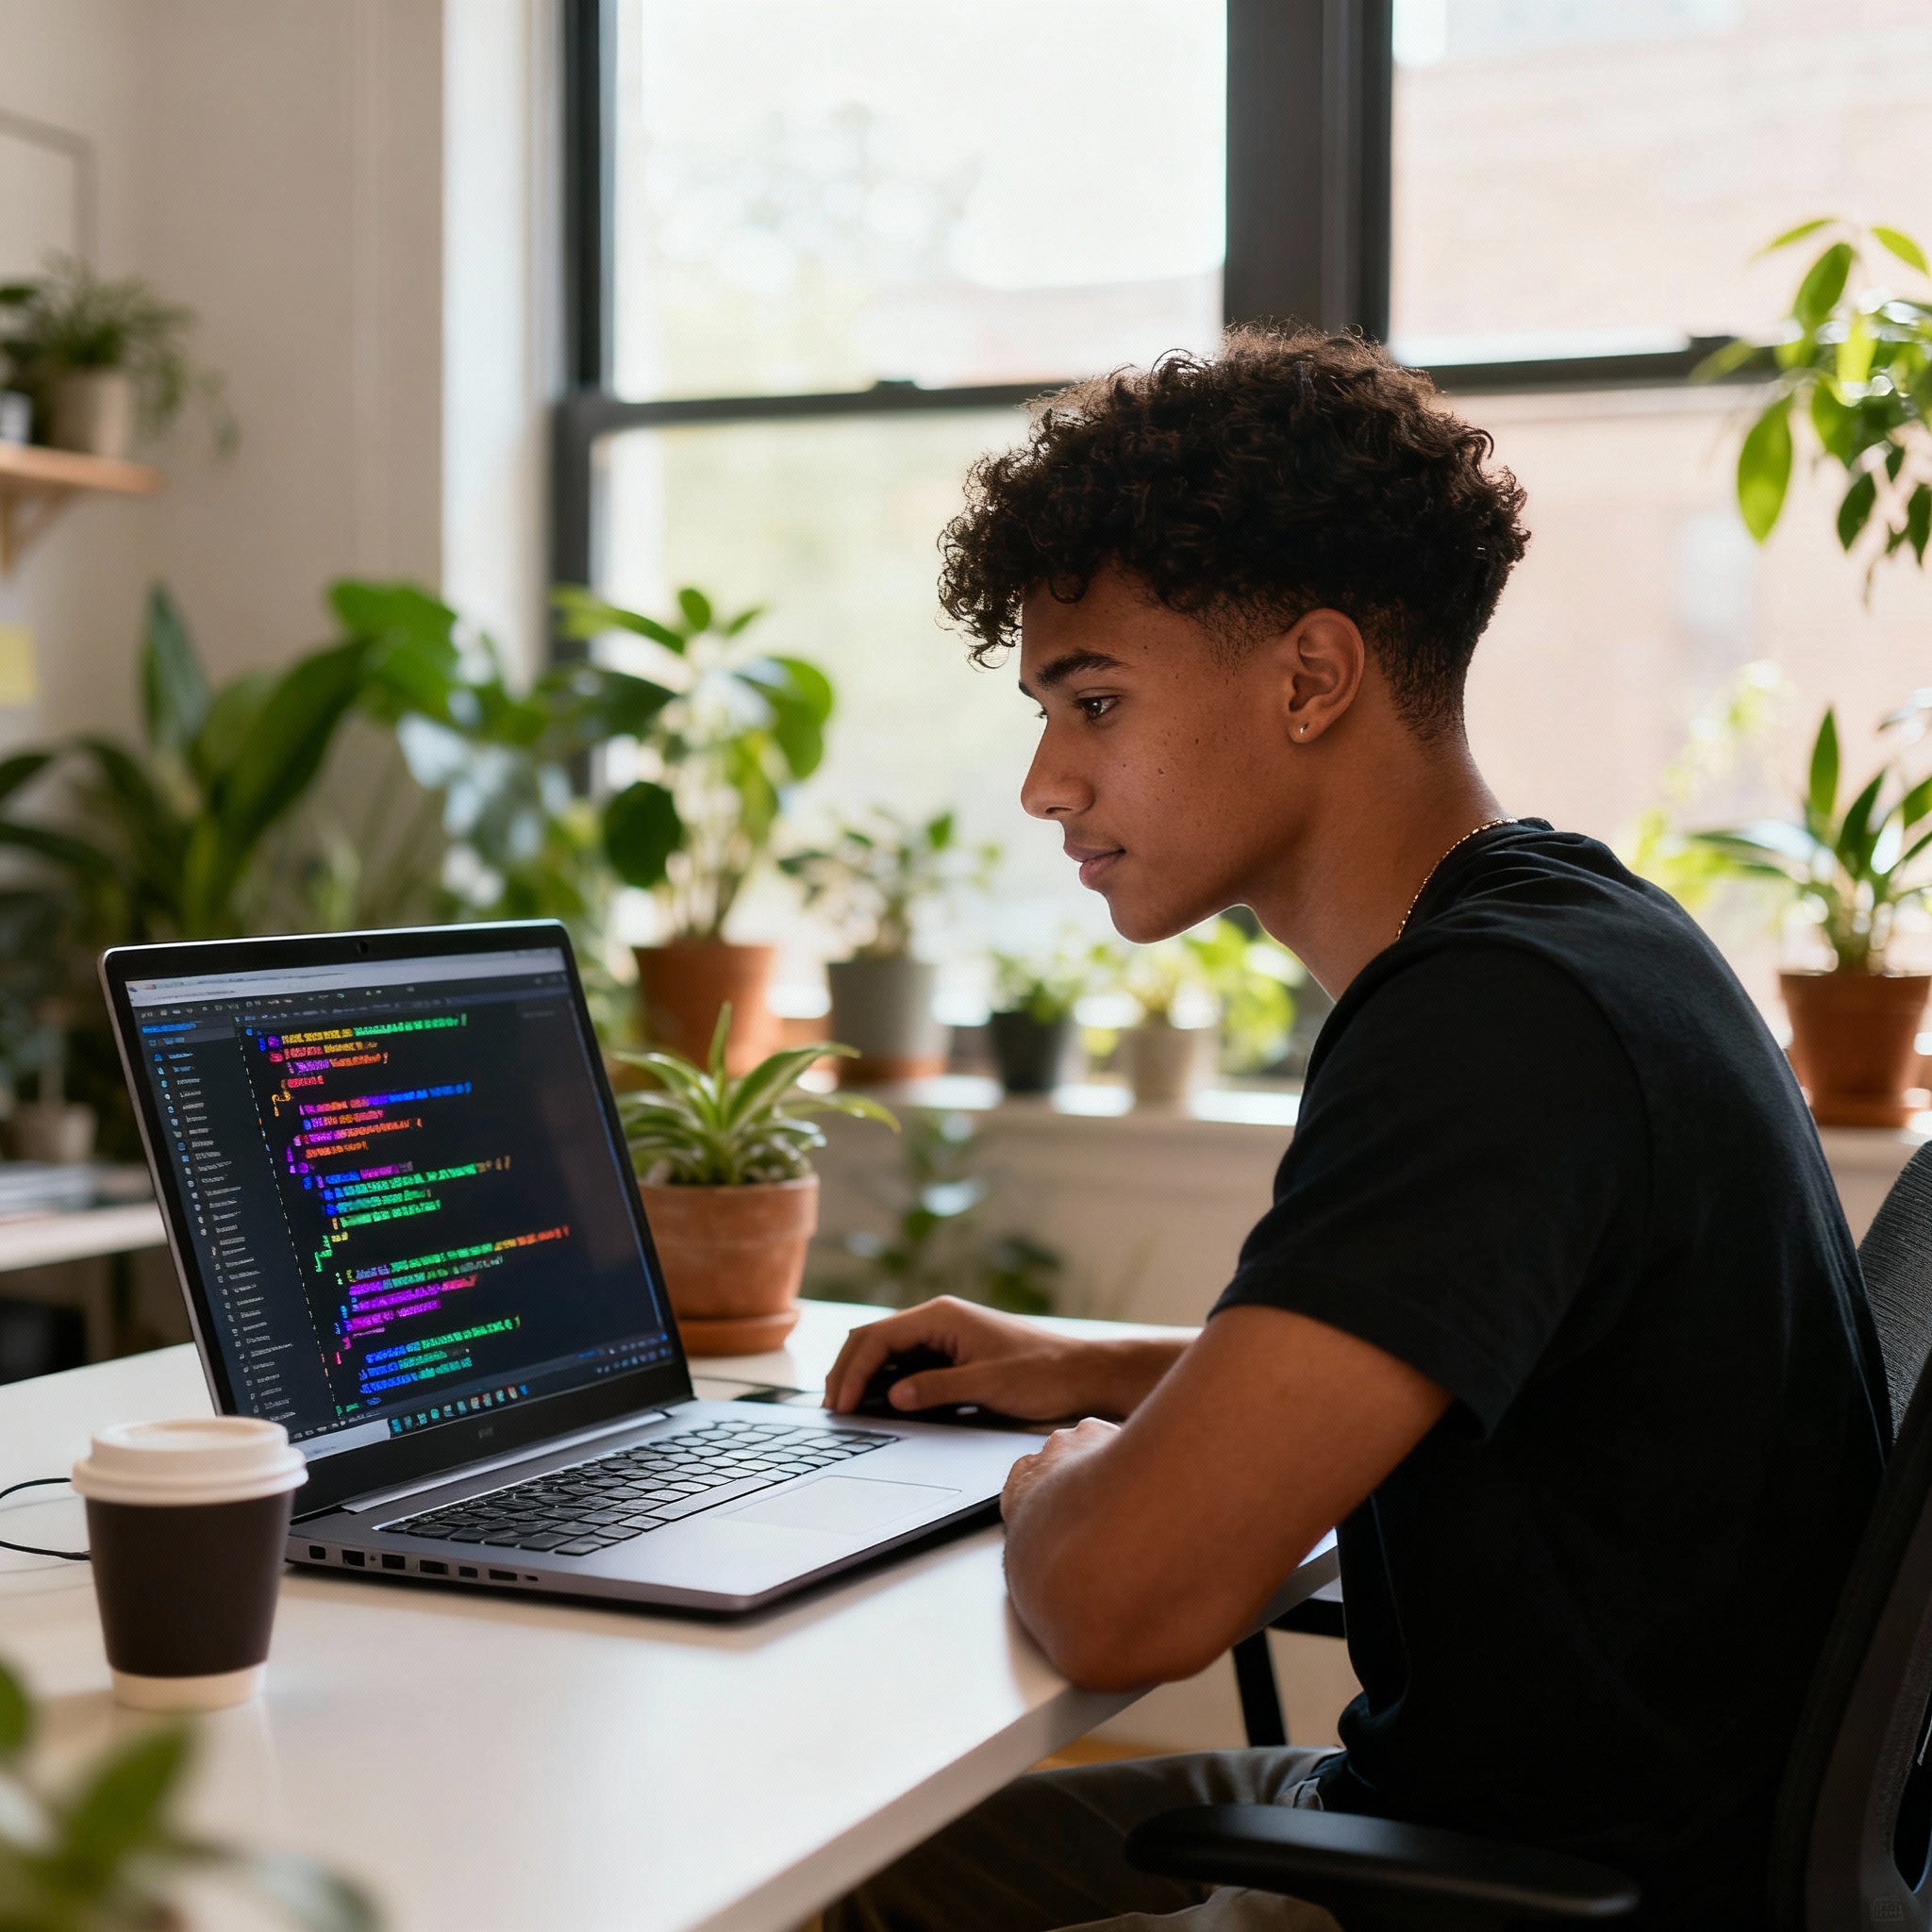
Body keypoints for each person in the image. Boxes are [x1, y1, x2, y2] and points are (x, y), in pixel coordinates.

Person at [818, 328, 1888, 1932]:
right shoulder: (1576, 928)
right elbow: (1502, 1365)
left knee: (801, 1898)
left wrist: (1061, 1490)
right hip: (1491, 1830)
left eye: (1092, 700)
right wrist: (1112, 1368)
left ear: (1313, 678)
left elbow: (1126, 1602)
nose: (1047, 783)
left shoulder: (1494, 1027)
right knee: (853, 1878)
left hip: (1531, 1899)